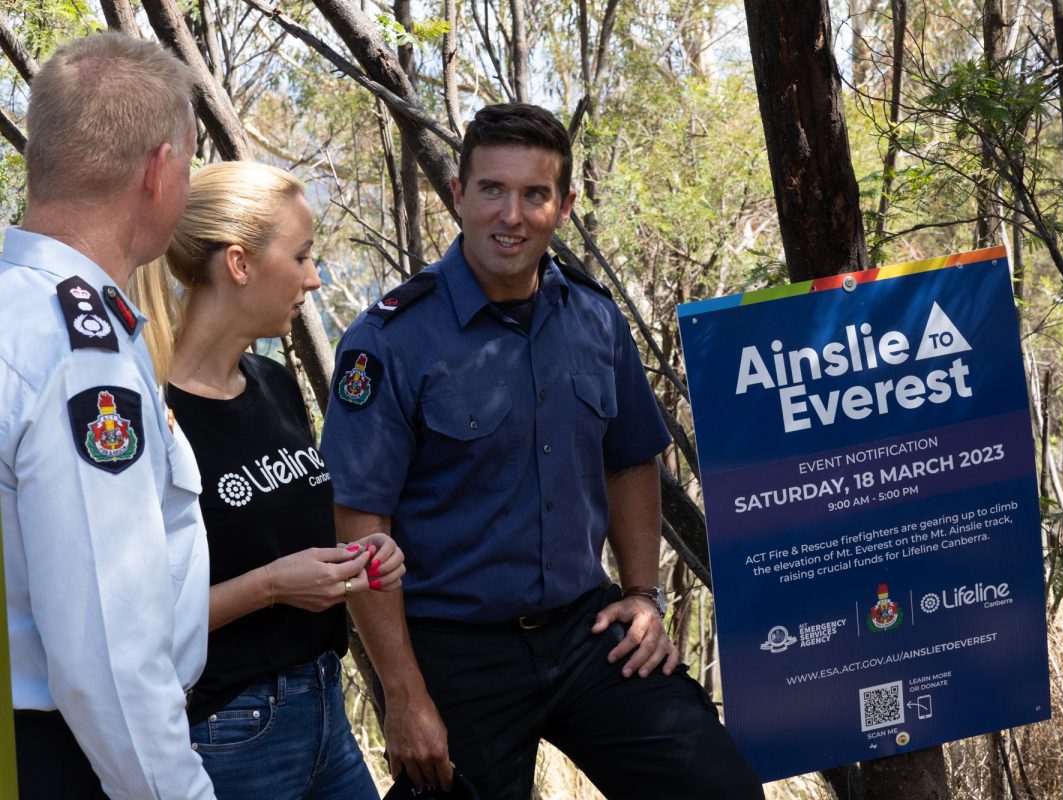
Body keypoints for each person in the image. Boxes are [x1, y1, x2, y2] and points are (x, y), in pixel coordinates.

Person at [321, 103, 764, 799]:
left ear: (563, 206)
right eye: (492, 189)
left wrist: (644, 595)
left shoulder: (592, 317)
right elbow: (359, 526)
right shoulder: (390, 341)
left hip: (585, 629)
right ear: (458, 195)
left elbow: (630, 459)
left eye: (535, 194)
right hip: (454, 651)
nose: (511, 214)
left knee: (718, 785)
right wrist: (403, 692)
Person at [133, 160, 405, 798]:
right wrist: (272, 587)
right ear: (239, 264)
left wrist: (363, 559)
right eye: (303, 256)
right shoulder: (153, 416)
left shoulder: (275, 382)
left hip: (324, 708)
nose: (314, 279)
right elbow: (135, 623)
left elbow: (294, 540)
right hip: (228, 731)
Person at [0, 32, 215, 799]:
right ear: (159, 170)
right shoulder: (76, 352)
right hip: (66, 756)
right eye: (189, 165)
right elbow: (109, 659)